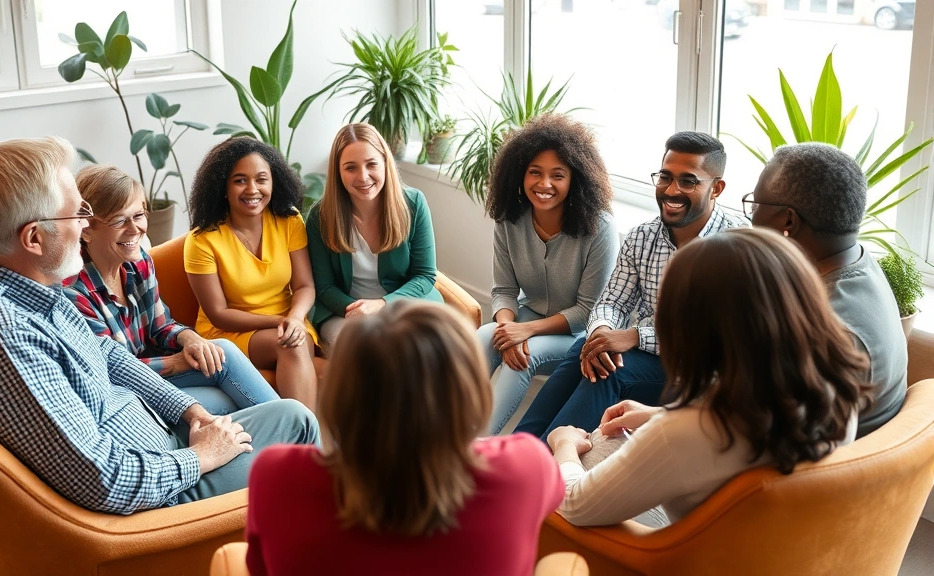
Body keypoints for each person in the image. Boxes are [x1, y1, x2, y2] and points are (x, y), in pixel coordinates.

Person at [0, 137, 319, 514]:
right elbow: (104, 481)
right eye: (79, 213)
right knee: (298, 425)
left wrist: (190, 410)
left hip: (154, 441)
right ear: (34, 238)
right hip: (155, 491)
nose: (85, 226)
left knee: (286, 413)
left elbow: (104, 352)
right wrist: (201, 456)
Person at [547, 228, 872, 526]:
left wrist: (564, 444)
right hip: (769, 541)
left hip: (685, 554)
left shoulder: (682, 434)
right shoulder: (830, 385)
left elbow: (576, 506)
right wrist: (660, 414)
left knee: (592, 449)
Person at [245, 301, 564, 575]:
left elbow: (261, 567)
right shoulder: (525, 466)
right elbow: (563, 493)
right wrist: (566, 448)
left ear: (340, 394)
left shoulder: (276, 476)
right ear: (469, 393)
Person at [515, 131, 745, 441]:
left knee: (613, 371)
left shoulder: (740, 244)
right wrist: (601, 332)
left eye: (688, 181)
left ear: (716, 188)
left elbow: (713, 335)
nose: (671, 190)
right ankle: (514, 453)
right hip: (647, 353)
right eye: (665, 177)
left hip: (699, 370)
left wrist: (634, 336)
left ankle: (540, 472)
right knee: (585, 349)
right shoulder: (643, 236)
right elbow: (613, 301)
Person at [63, 164, 280, 415]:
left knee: (224, 381)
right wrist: (176, 363)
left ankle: (295, 442)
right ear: (86, 229)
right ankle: (299, 438)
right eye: (120, 220)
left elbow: (160, 326)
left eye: (139, 215)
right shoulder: (74, 293)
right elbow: (112, 370)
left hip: (154, 378)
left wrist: (191, 339)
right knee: (225, 370)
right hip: (122, 397)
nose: (135, 229)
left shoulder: (138, 262)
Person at [745, 142, 907, 437]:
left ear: (788, 221)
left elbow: (770, 441)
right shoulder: (859, 260)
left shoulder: (831, 333)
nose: (752, 216)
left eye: (755, 205)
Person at [476, 114, 619, 434]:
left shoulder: (601, 228)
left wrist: (524, 333)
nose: (544, 184)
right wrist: (507, 327)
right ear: (519, 174)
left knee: (524, 358)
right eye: (535, 172)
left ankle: (479, 451)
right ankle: (445, 434)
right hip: (527, 318)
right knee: (482, 338)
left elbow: (586, 312)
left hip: (578, 336)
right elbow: (503, 289)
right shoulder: (508, 220)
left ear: (575, 179)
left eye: (558, 175)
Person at [185, 137, 322, 412]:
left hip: (289, 323)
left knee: (334, 369)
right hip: (229, 331)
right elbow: (218, 314)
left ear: (274, 182)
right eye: (239, 180)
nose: (252, 189)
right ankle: (304, 444)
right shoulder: (202, 240)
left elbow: (305, 285)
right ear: (222, 186)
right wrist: (281, 321)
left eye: (261, 179)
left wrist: (294, 318)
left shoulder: (289, 220)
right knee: (293, 346)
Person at [306, 123, 443, 347]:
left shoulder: (414, 204)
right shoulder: (320, 217)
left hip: (405, 305)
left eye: (372, 164)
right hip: (343, 313)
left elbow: (424, 275)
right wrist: (359, 312)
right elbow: (324, 287)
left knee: (415, 348)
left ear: (385, 164)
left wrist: (381, 305)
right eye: (350, 168)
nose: (363, 176)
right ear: (338, 172)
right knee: (370, 351)